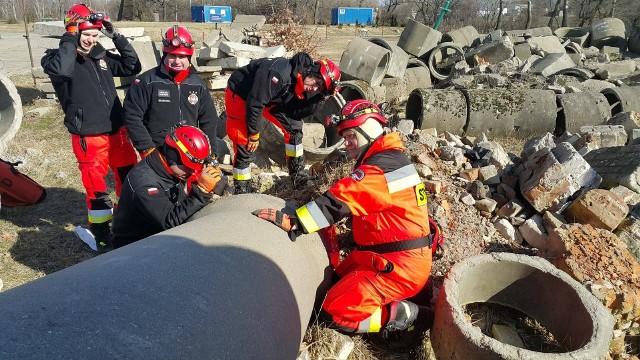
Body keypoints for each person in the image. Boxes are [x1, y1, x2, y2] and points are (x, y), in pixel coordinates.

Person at [253, 100, 439, 347]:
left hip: (399, 266)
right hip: (386, 254)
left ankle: (410, 317)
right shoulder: (389, 159)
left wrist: (297, 221)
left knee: (334, 314)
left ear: (370, 130)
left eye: (351, 136)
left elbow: (343, 197)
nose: (347, 143)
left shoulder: (381, 167)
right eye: (345, 137)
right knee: (336, 280)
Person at [41, 3, 141, 252]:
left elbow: (132, 66)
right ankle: (102, 232)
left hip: (117, 131)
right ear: (73, 30)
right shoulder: (56, 59)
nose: (91, 39)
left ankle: (129, 219)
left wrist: (115, 36)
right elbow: (63, 71)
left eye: (94, 35)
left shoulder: (100, 55)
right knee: (97, 188)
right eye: (86, 34)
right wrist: (70, 37)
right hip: (89, 135)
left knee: (128, 178)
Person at [225, 53, 341, 194]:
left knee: (294, 129)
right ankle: (242, 187)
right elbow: (255, 103)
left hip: (269, 98)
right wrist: (254, 133)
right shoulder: (279, 73)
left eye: (320, 88)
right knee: (245, 140)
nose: (315, 88)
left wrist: (323, 96)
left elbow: (297, 114)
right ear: (312, 71)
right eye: (317, 82)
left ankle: (297, 175)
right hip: (241, 93)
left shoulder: (300, 79)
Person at [112, 126, 221, 249]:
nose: (192, 172)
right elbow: (169, 221)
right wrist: (201, 193)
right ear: (173, 156)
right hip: (133, 248)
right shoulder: (144, 185)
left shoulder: (170, 169)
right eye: (189, 167)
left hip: (157, 235)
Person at [124, 25, 219, 160]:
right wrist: (147, 148)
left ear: (189, 58)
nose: (177, 61)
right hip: (157, 152)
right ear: (165, 55)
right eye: (172, 56)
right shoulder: (147, 82)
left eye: (182, 56)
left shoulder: (198, 85)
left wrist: (210, 152)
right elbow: (132, 116)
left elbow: (209, 120)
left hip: (191, 152)